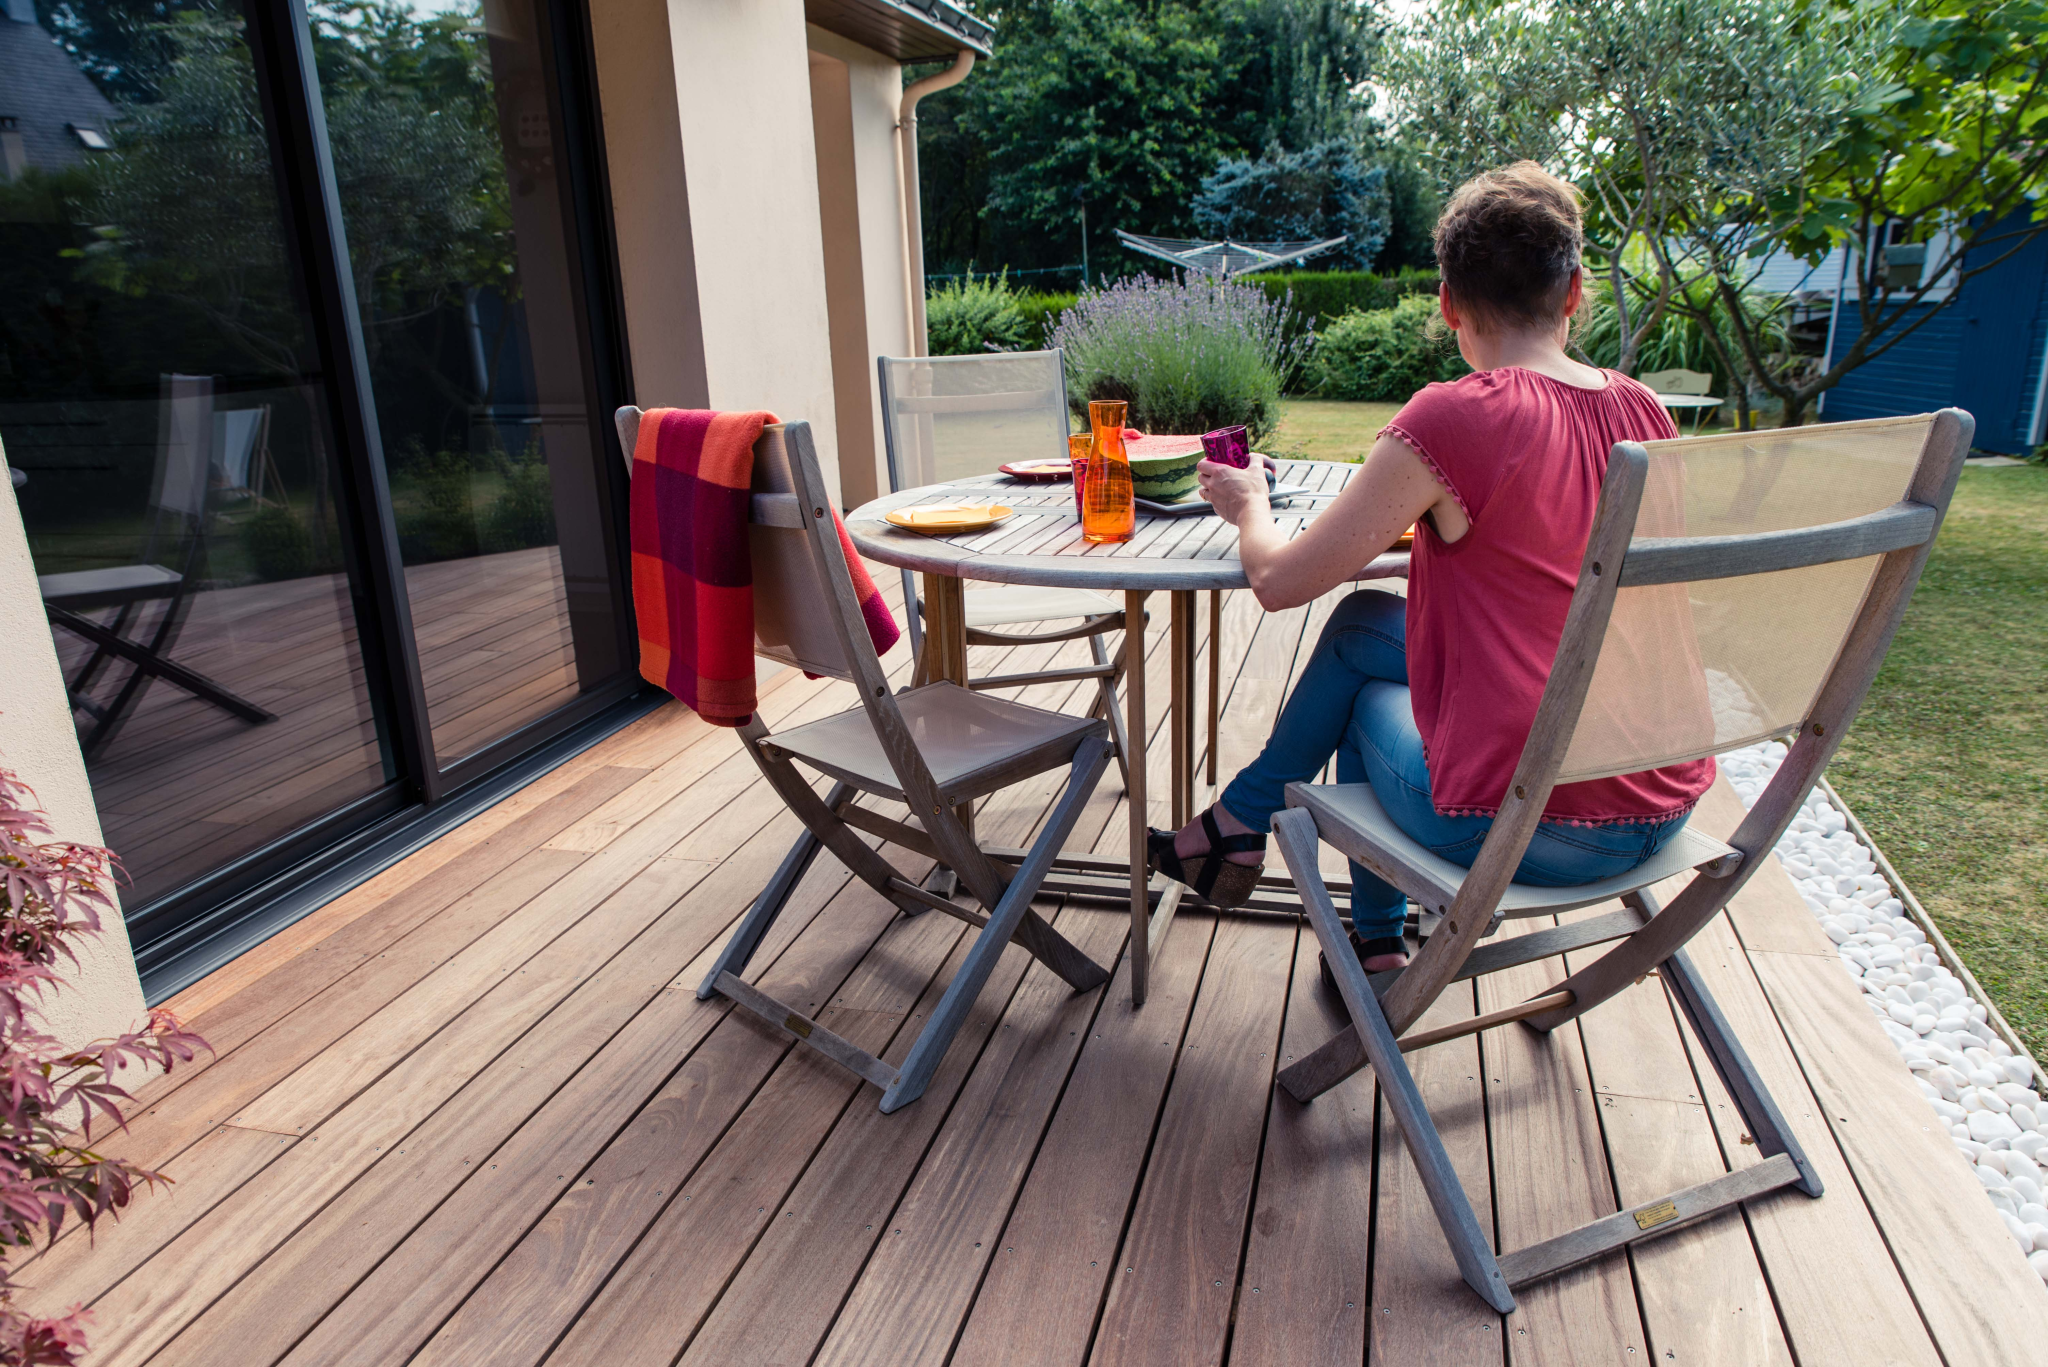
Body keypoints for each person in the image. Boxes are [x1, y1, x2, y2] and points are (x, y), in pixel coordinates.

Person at [1147, 161, 1715, 983]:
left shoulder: (1456, 415)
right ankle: (1248, 835)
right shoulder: (1642, 409)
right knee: (1361, 625)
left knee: (1361, 697)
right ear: (1575, 293)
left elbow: (1276, 582)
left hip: (1538, 823)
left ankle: (1346, 921)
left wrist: (1248, 505)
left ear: (1447, 302)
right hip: (1665, 801)